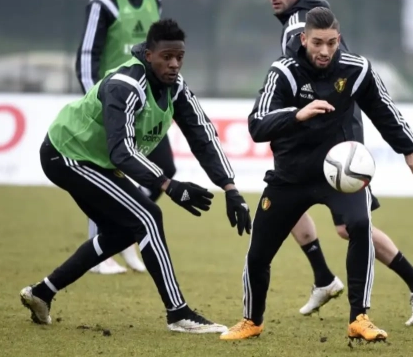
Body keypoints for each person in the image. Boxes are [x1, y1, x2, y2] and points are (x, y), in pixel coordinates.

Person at [21, 19, 252, 333]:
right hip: (67, 154)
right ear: (148, 54)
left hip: (95, 160)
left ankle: (42, 293)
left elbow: (203, 136)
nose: (174, 64)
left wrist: (230, 188)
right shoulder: (125, 85)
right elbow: (122, 151)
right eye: (166, 57)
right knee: (148, 216)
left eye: (179, 57)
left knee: (123, 231)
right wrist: (168, 185)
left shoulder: (176, 87)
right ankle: (178, 313)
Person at [220, 7, 413, 341]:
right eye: (317, 42)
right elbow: (257, 124)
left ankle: (359, 318)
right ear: (304, 39)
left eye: (331, 43)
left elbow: (383, 110)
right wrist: (296, 114)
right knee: (259, 253)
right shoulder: (283, 72)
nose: (325, 50)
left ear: (339, 39)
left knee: (359, 225)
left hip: (339, 175)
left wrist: (408, 149)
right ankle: (251, 321)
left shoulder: (356, 69)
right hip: (291, 175)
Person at [262, 0, 413, 326]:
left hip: (333, 139)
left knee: (341, 222)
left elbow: (346, 87)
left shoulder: (301, 25)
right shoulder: (309, 15)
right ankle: (327, 278)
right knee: (299, 202)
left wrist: (406, 147)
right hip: (318, 133)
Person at [74, 0, 174, 275]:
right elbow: (87, 55)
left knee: (164, 170)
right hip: (112, 104)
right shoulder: (104, 0)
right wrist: (96, 104)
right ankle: (101, 253)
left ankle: (126, 231)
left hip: (146, 104)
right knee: (106, 173)